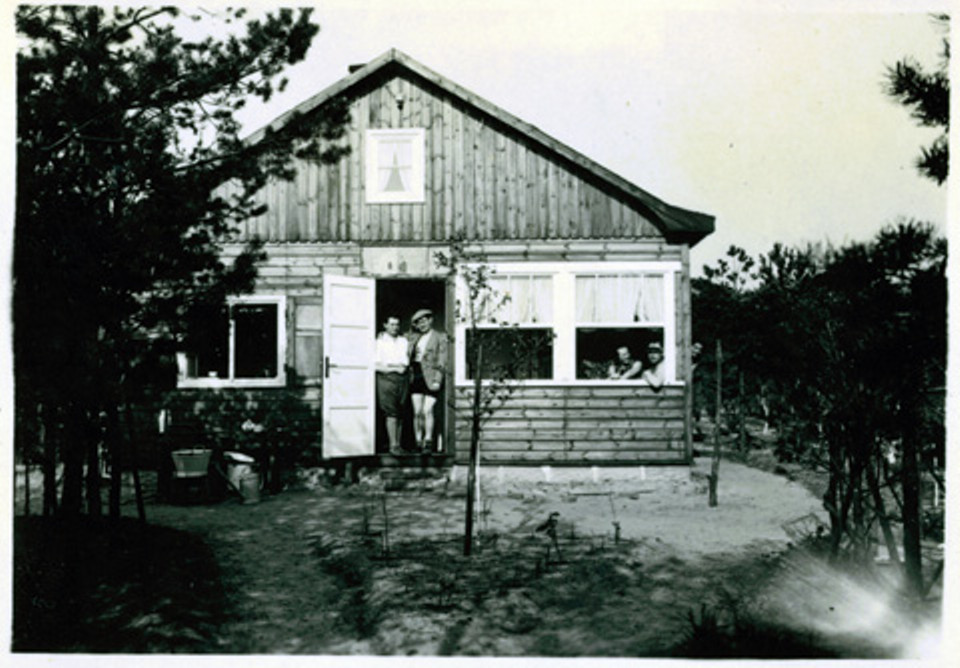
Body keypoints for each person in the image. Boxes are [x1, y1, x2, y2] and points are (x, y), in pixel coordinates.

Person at [408, 308, 447, 452]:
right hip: (416, 375)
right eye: (418, 323)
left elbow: (442, 360)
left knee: (427, 410)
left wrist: (438, 379)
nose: (422, 324)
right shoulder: (414, 338)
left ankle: (428, 440)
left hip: (431, 377)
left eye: (424, 321)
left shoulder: (439, 337)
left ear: (430, 320)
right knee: (417, 411)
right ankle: (418, 440)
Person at [375, 315, 410, 454]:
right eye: (392, 324)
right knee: (391, 412)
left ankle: (398, 445)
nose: (395, 327)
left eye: (397, 324)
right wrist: (394, 368)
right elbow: (376, 366)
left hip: (402, 377)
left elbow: (406, 360)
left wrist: (402, 369)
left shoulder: (403, 341)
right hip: (386, 377)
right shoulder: (379, 342)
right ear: (385, 325)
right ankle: (393, 445)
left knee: (400, 411)